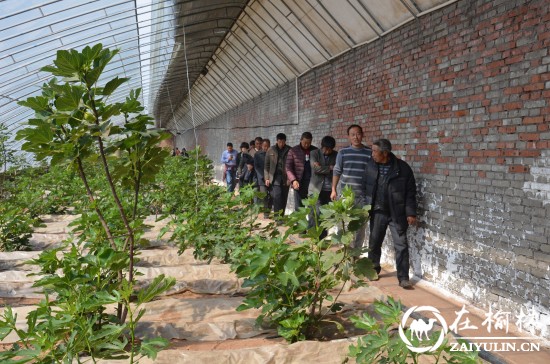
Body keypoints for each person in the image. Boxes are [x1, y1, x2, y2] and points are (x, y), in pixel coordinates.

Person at [365, 139, 417, 289]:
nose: (372, 154)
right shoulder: (370, 166)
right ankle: (373, 270)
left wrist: (411, 213)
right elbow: (365, 188)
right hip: (377, 211)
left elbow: (410, 193)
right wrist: (365, 207)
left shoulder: (403, 169)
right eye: (372, 150)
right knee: (374, 243)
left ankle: (403, 278)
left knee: (401, 245)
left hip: (397, 213)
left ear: (385, 153)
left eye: (375, 151)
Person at [331, 124, 372, 252]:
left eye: (358, 134)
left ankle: (356, 254)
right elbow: (337, 171)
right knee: (344, 225)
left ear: (362, 134)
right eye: (353, 134)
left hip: (363, 197)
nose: (356, 137)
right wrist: (333, 189)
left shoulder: (369, 153)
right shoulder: (343, 153)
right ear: (348, 136)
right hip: (346, 196)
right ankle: (345, 253)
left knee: (361, 226)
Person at [308, 135, 337, 239]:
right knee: (314, 213)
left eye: (330, 149)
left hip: (329, 189)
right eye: (326, 149)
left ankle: (322, 237)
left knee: (325, 214)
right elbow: (316, 169)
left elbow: (337, 170)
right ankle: (313, 236)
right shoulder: (314, 153)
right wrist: (330, 167)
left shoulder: (336, 155)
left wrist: (323, 168)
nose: (328, 151)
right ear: (322, 146)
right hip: (315, 188)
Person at [286, 132, 317, 211]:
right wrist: (293, 180)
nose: (306, 145)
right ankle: (300, 223)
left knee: (313, 207)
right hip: (299, 182)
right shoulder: (293, 151)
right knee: (299, 207)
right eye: (305, 143)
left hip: (312, 183)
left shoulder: (315, 151)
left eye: (309, 143)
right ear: (301, 140)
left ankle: (312, 223)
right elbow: (288, 167)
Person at [264, 133, 291, 221]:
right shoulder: (271, 150)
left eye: (283, 142)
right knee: (277, 197)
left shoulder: (289, 150)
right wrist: (267, 178)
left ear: (285, 141)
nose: (281, 144)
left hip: (285, 177)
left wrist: (290, 178)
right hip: (274, 177)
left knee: (284, 197)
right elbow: (266, 165)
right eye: (280, 142)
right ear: (277, 141)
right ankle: (277, 218)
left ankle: (281, 216)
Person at [254, 138, 272, 218]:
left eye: (267, 146)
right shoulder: (257, 154)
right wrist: (263, 177)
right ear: (262, 146)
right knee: (264, 196)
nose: (266, 148)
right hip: (261, 179)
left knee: (272, 195)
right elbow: (256, 167)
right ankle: (266, 213)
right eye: (264, 146)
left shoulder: (272, 154)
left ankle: (269, 209)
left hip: (271, 178)